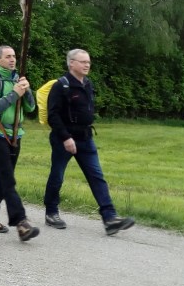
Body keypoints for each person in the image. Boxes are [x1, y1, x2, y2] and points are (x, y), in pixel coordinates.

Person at [43, 49, 135, 236]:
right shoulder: (61, 86)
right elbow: (53, 115)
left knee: (96, 176)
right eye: (83, 61)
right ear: (71, 63)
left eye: (88, 62)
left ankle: (110, 218)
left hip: (85, 138)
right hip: (64, 139)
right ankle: (51, 212)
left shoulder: (87, 84)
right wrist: (66, 138)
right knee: (57, 175)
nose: (87, 65)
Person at [0, 45, 39, 241]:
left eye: (14, 56)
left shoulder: (16, 79)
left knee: (1, 175)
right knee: (7, 176)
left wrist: (26, 90)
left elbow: (30, 107)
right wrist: (14, 93)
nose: (12, 60)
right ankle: (21, 222)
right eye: (8, 57)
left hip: (16, 133)